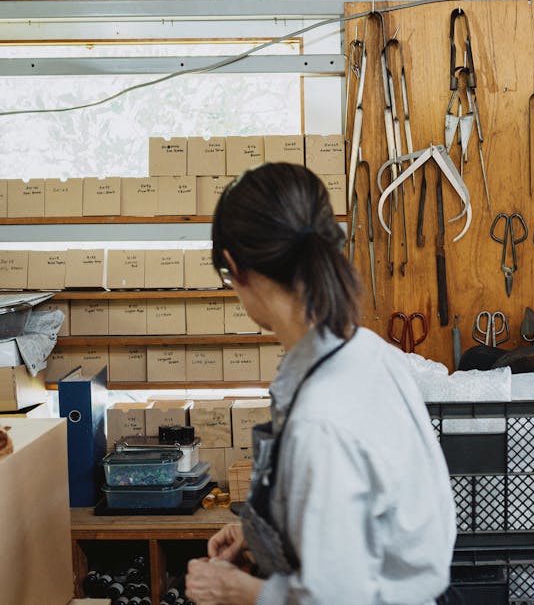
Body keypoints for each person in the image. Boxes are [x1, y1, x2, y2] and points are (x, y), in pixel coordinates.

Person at [186, 162, 456, 605]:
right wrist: (267, 535)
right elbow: (372, 517)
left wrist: (238, 590)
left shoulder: (321, 419)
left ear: (235, 268)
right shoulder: (370, 353)